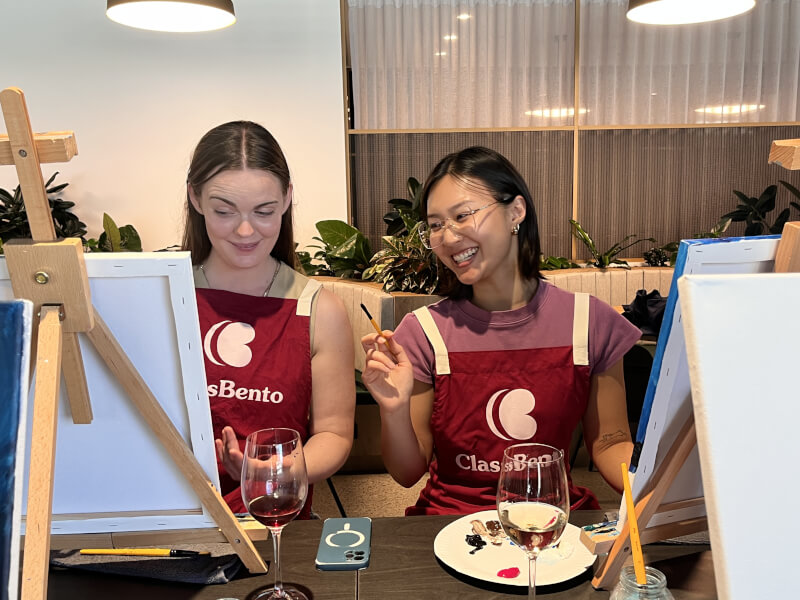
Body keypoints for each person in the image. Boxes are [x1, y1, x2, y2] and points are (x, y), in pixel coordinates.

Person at [361, 146, 641, 515]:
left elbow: (610, 442)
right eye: (435, 224)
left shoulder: (590, 321)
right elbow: (407, 473)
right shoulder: (423, 332)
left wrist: (668, 482)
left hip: (553, 519)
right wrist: (393, 411)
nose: (446, 237)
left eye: (462, 215)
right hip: (451, 525)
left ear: (516, 212)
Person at [182, 121, 355, 515]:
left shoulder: (318, 309)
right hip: (179, 518)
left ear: (287, 198)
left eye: (264, 212)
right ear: (195, 198)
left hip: (276, 517)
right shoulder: (168, 297)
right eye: (224, 211)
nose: (246, 231)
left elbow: (333, 433)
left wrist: (277, 470)